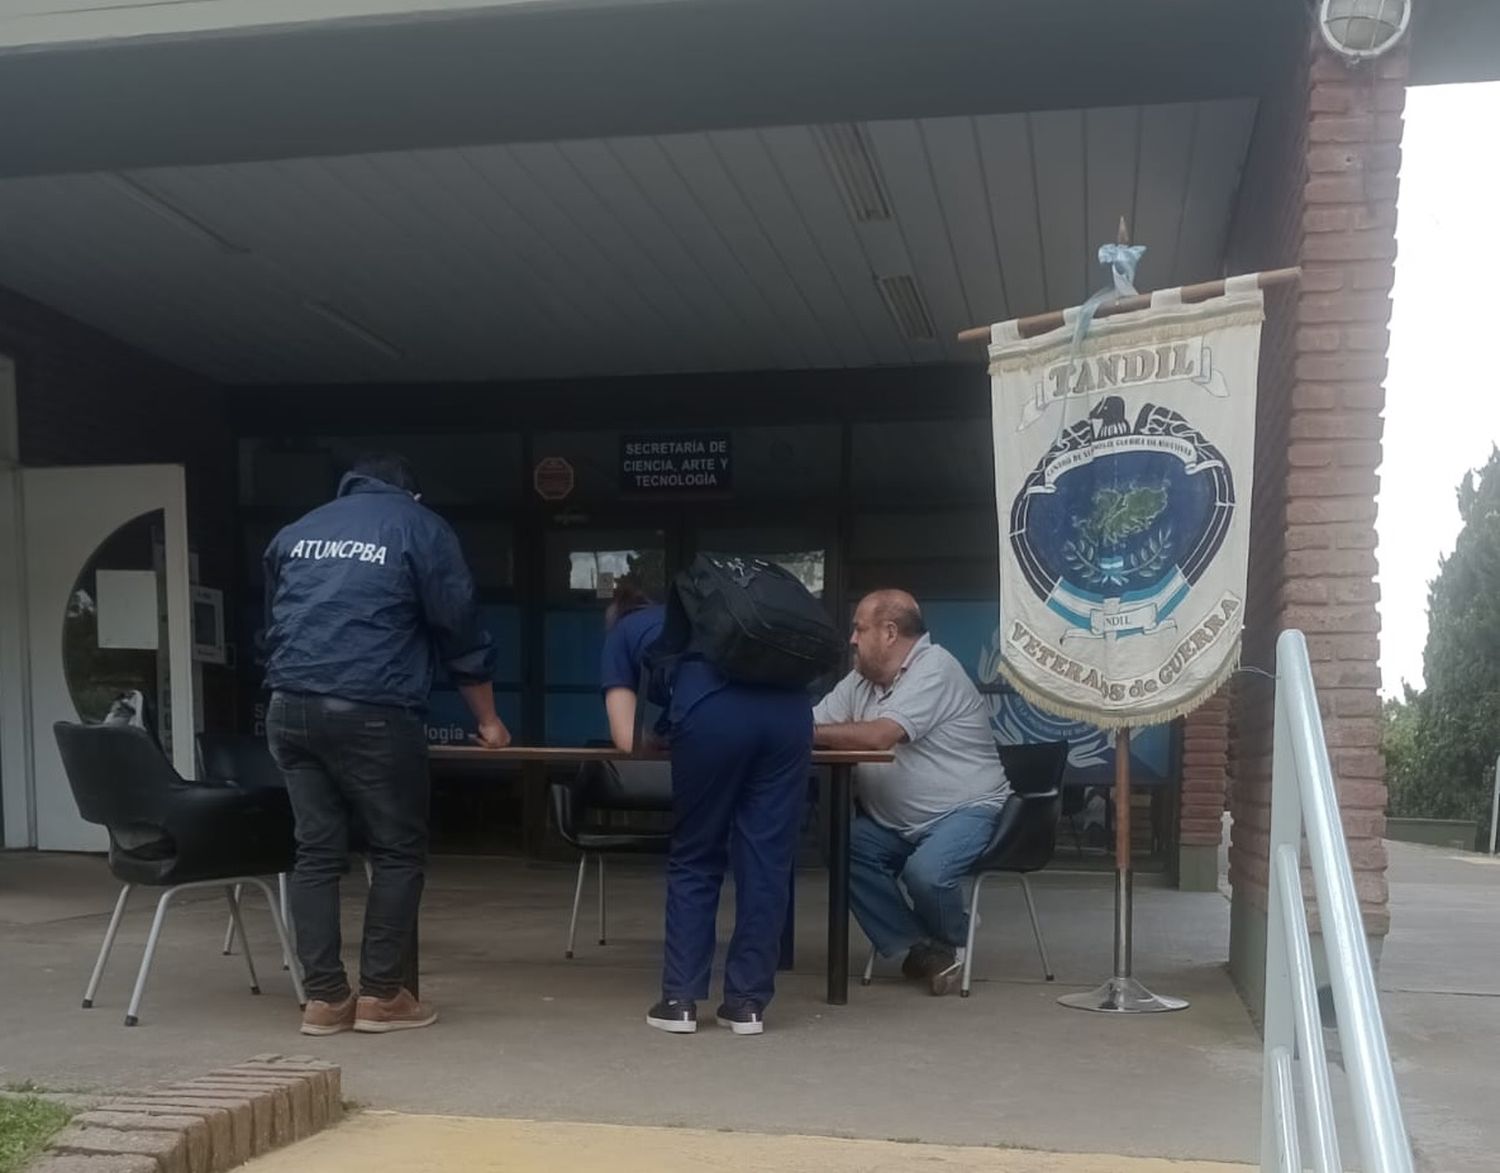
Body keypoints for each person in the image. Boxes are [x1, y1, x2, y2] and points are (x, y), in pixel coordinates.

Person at [262, 453, 510, 1037]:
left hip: (288, 705)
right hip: (372, 709)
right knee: (396, 851)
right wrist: (490, 720)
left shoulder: (297, 532)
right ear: (412, 494)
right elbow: (459, 627)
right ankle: (382, 996)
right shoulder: (419, 527)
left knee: (315, 854)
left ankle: (323, 1001)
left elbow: (272, 626)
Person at [600, 578, 812, 1036]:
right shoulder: (719, 618)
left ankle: (679, 1000)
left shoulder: (623, 633)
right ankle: (747, 1004)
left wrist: (662, 736)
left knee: (697, 856)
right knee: (767, 862)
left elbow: (626, 738)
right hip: (791, 714)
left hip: (712, 710)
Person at [813, 590, 1011, 995]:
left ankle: (949, 930)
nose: (851, 640)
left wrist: (799, 733)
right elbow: (814, 721)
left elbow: (880, 736)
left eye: (858, 629)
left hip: (964, 809)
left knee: (928, 875)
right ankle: (922, 946)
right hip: (893, 823)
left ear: (889, 632)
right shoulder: (861, 682)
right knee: (841, 843)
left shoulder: (934, 668)